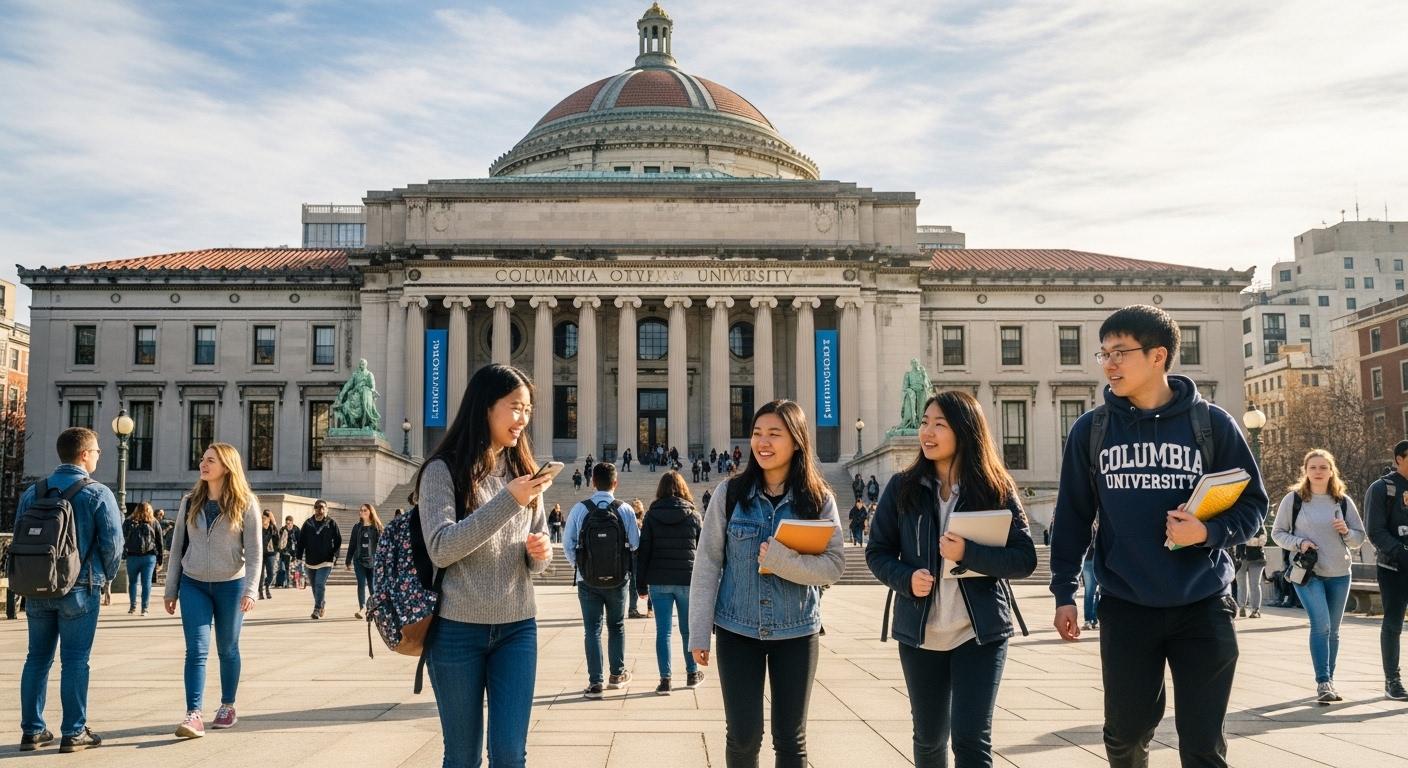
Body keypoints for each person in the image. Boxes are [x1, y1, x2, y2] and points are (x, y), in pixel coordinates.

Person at [1048, 304, 1268, 768]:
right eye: (1103, 353)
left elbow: (1254, 507)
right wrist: (1064, 592)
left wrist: (1209, 531)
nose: (1108, 363)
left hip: (1203, 605)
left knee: (1203, 745)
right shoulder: (1092, 430)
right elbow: (1071, 518)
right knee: (1125, 737)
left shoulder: (1212, 425)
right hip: (1127, 607)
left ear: (1158, 356)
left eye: (1120, 352)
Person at [866, 391, 1037, 767]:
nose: (926, 432)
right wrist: (906, 578)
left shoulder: (995, 488)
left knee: (971, 740)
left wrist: (968, 554)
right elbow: (876, 552)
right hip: (920, 633)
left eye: (939, 424)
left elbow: (1025, 559)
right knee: (928, 741)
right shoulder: (902, 487)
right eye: (925, 422)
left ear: (965, 430)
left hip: (979, 633)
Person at [689, 400, 845, 767]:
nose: (763, 442)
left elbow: (835, 566)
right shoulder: (729, 496)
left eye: (775, 434)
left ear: (797, 441)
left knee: (791, 741)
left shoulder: (818, 499)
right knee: (743, 738)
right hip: (736, 630)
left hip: (797, 631)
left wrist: (782, 561)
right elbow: (707, 564)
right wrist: (698, 632)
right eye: (758, 433)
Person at [415, 363, 554, 767]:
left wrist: (538, 552)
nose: (523, 419)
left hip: (517, 628)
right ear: (486, 407)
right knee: (462, 756)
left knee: (510, 754)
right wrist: (509, 501)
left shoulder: (525, 475)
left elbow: (535, 562)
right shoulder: (442, 472)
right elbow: (441, 547)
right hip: (457, 631)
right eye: (515, 407)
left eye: (527, 409)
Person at [17, 427, 123, 753]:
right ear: (84, 455)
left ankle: (33, 730)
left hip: (37, 584)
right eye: (97, 452)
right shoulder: (98, 493)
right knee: (76, 660)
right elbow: (113, 544)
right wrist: (104, 577)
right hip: (80, 586)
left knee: (37, 658)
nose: (98, 456)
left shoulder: (32, 492)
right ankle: (74, 731)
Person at [164, 442, 262, 738]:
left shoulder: (245, 503)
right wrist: (171, 589)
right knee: (196, 650)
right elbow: (177, 546)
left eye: (211, 461)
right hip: (194, 584)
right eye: (203, 460)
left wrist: (251, 590)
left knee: (228, 649)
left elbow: (255, 552)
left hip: (231, 585)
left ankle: (227, 706)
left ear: (227, 467)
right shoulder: (189, 500)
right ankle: (193, 714)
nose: (203, 465)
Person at [1271, 449, 1365, 703]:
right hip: (1307, 574)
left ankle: (1329, 681)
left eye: (1323, 467)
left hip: (1339, 573)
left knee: (1333, 630)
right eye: (1313, 467)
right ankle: (1323, 681)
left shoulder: (1342, 501)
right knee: (1321, 625)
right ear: (1305, 471)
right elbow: (1277, 534)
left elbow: (1358, 539)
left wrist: (1346, 531)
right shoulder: (1294, 500)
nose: (1318, 472)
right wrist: (1299, 542)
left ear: (1331, 471)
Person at [564, 461, 641, 698]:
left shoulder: (580, 509)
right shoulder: (625, 509)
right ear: (615, 483)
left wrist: (582, 567)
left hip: (587, 581)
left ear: (593, 482)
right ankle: (617, 675)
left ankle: (595, 682)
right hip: (618, 579)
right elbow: (635, 544)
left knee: (592, 630)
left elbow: (568, 544)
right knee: (616, 626)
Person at [636, 470, 705, 695]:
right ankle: (692, 674)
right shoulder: (693, 514)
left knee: (663, 632)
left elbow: (643, 550)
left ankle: (665, 680)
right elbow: (703, 552)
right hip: (687, 579)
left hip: (659, 579)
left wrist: (640, 583)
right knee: (687, 630)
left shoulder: (652, 515)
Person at [1365, 440, 1408, 701]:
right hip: (1393, 567)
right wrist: (1402, 554)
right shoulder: (1383, 489)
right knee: (1393, 622)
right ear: (1399, 459)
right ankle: (1392, 679)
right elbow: (1375, 531)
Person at [297, 500, 342, 619]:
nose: (320, 510)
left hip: (326, 561)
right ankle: (321, 603)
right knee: (314, 585)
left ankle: (317, 608)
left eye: (322, 508)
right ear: (314, 509)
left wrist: (335, 555)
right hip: (310, 561)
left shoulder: (331, 523)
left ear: (326, 509)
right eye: (317, 508)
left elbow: (338, 540)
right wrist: (298, 557)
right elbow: (301, 541)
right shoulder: (308, 523)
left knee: (319, 584)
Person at [123, 502, 163, 615]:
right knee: (146, 583)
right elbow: (160, 542)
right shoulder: (154, 522)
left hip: (132, 557)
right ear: (150, 510)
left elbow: (122, 538)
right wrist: (160, 560)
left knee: (133, 582)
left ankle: (132, 607)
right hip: (149, 557)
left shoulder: (128, 522)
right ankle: (144, 609)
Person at [345, 504, 384, 619]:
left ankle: (374, 608)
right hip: (358, 560)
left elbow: (383, 546)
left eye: (365, 510)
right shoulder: (357, 527)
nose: (362, 512)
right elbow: (352, 544)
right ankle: (362, 608)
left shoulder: (378, 527)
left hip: (373, 561)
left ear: (370, 512)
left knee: (372, 586)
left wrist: (383, 561)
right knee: (361, 584)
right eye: (361, 510)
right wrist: (348, 560)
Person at [1234, 528, 1268, 618]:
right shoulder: (1238, 524)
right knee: (1241, 584)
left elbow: (1261, 542)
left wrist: (1242, 539)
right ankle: (1242, 607)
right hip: (1240, 558)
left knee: (1255, 584)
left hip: (1257, 559)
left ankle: (1255, 610)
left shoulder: (1260, 526)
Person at [628, 499, 650, 619]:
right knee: (636, 582)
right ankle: (635, 609)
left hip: (636, 554)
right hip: (638, 554)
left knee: (634, 582)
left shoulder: (641, 520)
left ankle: (634, 608)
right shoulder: (636, 520)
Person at [1080, 541, 1100, 631]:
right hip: (1089, 560)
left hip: (1099, 560)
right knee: (1089, 592)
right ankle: (1088, 619)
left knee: (1098, 593)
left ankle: (1094, 619)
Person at [259, 510, 278, 600]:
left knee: (271, 574)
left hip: (270, 554)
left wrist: (276, 550)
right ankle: (260, 592)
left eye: (265, 518)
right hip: (260, 554)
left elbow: (277, 540)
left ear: (269, 519)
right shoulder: (258, 528)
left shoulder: (272, 529)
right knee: (261, 574)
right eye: (262, 518)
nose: (263, 519)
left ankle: (266, 586)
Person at [276, 515, 299, 588]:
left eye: (289, 523)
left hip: (292, 553)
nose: (287, 525)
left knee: (292, 569)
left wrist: (296, 554)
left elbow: (299, 541)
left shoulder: (296, 529)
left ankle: (293, 583)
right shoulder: (283, 529)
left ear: (292, 522)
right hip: (283, 552)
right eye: (286, 523)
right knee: (282, 568)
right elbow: (280, 540)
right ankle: (281, 583)